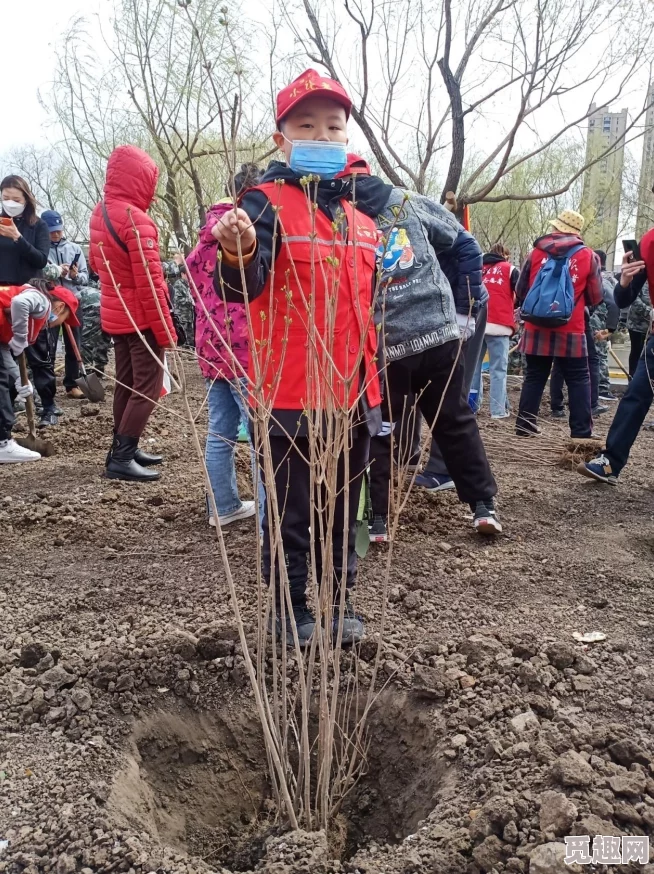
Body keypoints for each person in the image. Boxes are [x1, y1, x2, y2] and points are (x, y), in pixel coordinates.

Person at [212, 70, 381, 647]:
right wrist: (238, 251)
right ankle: (288, 611)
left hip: (352, 395)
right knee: (290, 511)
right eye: (306, 125)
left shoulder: (362, 215)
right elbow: (241, 288)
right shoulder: (264, 203)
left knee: (342, 509)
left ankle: (339, 601)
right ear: (282, 137)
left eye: (334, 126)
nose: (323, 135)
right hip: (288, 396)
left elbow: (374, 301)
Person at [351, 163, 501, 539]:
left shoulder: (344, 215)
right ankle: (483, 506)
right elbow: (464, 242)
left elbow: (464, 245)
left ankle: (377, 520)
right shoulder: (404, 200)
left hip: (399, 340)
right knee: (453, 419)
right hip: (426, 334)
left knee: (378, 427)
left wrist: (465, 306)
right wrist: (463, 307)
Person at [89, 145, 177, 483]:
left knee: (126, 383)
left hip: (115, 314)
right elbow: (151, 285)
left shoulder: (100, 212)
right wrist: (166, 332)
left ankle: (122, 446)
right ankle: (122, 458)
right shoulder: (137, 221)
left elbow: (98, 265)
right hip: (140, 319)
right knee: (148, 387)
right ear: (142, 181)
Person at [186, 163, 265, 528]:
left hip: (210, 347)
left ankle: (223, 506)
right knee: (262, 436)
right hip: (245, 347)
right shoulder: (246, 230)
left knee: (220, 431)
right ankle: (271, 519)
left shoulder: (204, 237)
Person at [414, 226, 490, 492]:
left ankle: (442, 469)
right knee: (407, 377)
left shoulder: (411, 209)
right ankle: (406, 454)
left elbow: (469, 245)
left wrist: (463, 312)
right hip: (421, 308)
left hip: (461, 305)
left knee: (449, 388)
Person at [514, 210, 602, 439]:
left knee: (534, 375)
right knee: (579, 377)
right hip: (571, 326)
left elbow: (521, 290)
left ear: (556, 228)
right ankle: (581, 431)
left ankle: (525, 425)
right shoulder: (588, 255)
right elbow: (595, 296)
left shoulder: (536, 253)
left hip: (535, 326)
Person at [579, 244, 654, 485]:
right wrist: (625, 279)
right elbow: (623, 299)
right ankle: (610, 462)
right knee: (634, 395)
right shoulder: (650, 243)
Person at [0, 277, 80, 462]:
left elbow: (3, 349)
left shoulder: (32, 310)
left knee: (6, 377)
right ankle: (3, 444)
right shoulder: (42, 301)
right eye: (64, 318)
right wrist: (21, 337)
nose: (60, 323)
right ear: (59, 307)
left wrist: (20, 378)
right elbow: (20, 303)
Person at [41, 210, 89, 399]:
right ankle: (47, 387)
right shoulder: (41, 250)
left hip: (73, 303)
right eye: (52, 231)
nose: (56, 234)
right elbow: (36, 275)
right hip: (50, 304)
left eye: (58, 230)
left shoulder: (75, 249)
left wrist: (74, 276)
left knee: (74, 344)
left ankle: (72, 384)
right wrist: (54, 272)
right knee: (48, 345)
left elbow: (86, 278)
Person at [471, 243, 518, 419]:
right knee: (498, 370)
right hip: (500, 325)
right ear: (505, 256)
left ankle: (471, 407)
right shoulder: (510, 269)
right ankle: (498, 411)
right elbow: (520, 293)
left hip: (477, 324)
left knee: (474, 369)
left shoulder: (478, 267)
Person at [594, 249, 621, 402]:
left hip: (599, 324)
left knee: (599, 356)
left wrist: (610, 328)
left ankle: (602, 389)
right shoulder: (608, 278)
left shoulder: (602, 280)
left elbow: (613, 303)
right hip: (601, 323)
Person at [79, 275, 112, 378]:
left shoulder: (78, 291)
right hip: (107, 306)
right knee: (103, 338)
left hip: (93, 306)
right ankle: (99, 368)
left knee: (86, 341)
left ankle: (87, 371)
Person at [626, 280, 651, 377]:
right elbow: (634, 299)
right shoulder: (641, 278)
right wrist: (648, 312)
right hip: (637, 325)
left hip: (652, 326)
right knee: (637, 353)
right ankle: (633, 378)